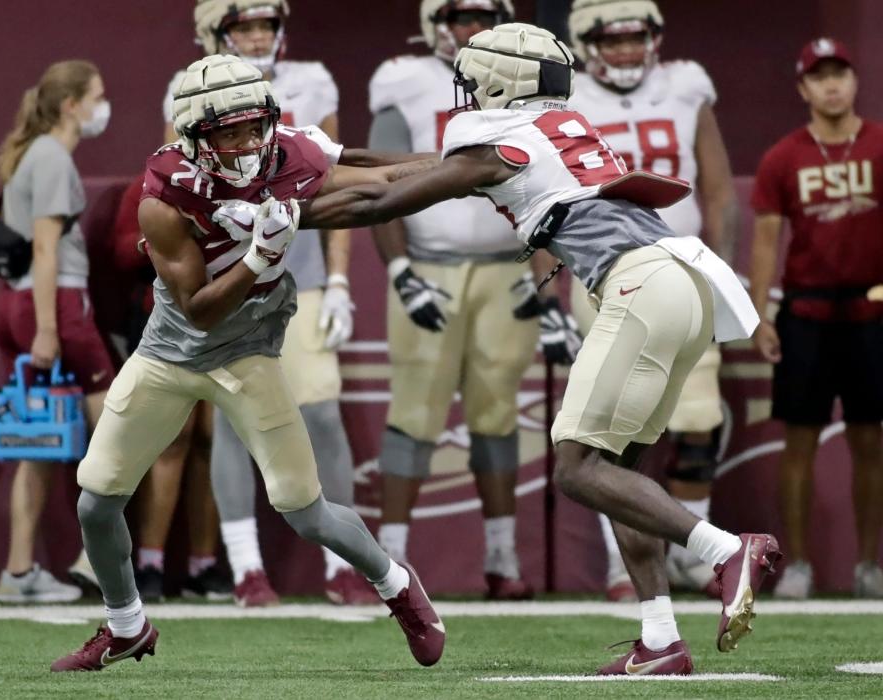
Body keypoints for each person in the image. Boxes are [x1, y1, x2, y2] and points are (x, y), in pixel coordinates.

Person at [279, 23, 781, 675]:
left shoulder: (501, 142)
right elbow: (425, 167)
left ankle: (721, 551)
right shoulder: (552, 126)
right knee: (614, 472)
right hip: (684, 277)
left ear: (501, 81)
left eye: (474, 82)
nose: (465, 95)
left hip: (639, 282)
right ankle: (660, 639)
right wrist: (331, 151)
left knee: (576, 469)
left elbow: (382, 198)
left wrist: (273, 211)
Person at [50, 55, 445, 672]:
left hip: (248, 349)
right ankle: (126, 625)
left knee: (304, 509)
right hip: (173, 350)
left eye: (254, 126)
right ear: (194, 137)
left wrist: (468, 166)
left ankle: (399, 587)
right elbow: (200, 309)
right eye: (226, 132)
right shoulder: (164, 193)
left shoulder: (289, 149)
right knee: (95, 501)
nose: (245, 143)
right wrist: (261, 256)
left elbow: (377, 173)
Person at [365, 0, 558, 600]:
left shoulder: (527, 80)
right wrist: (399, 270)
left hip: (508, 269)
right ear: (434, 25)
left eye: (482, 19)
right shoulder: (406, 79)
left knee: (497, 416)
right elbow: (379, 183)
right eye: (459, 19)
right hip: (431, 267)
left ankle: (502, 559)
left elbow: (555, 185)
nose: (471, 31)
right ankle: (390, 563)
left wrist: (546, 281)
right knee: (414, 415)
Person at [188, 0, 374, 606]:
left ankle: (342, 566)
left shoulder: (311, 82)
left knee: (321, 414)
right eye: (244, 25)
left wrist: (341, 279)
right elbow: (177, 192)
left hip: (302, 274)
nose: (258, 35)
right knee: (233, 426)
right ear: (217, 32)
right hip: (230, 279)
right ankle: (245, 569)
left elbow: (335, 184)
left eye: (266, 24)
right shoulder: (190, 91)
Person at [566, 0, 739, 601]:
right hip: (603, 273)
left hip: (683, 266)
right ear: (586, 44)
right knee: (605, 429)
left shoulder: (686, 85)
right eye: (612, 41)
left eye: (635, 39)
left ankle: (697, 558)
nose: (625, 52)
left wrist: (724, 268)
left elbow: (718, 192)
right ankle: (625, 563)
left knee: (697, 421)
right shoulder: (566, 99)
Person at [749, 38, 883, 600]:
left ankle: (869, 567)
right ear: (802, 88)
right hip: (804, 311)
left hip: (872, 311)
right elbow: (764, 241)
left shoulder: (880, 145)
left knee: (870, 440)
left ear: (854, 82)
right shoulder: (783, 156)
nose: (831, 85)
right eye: (818, 76)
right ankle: (797, 564)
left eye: (840, 74)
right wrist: (759, 315)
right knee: (798, 441)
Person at [0, 60, 114, 604]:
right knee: (120, 428)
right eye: (96, 96)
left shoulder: (34, 156)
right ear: (71, 104)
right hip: (54, 304)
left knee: (38, 444)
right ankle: (99, 555)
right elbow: (44, 248)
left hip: (24, 302)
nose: (101, 107)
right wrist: (47, 327)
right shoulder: (52, 159)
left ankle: (18, 574)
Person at [112, 177, 231, 602]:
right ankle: (150, 561)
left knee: (211, 440)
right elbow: (121, 251)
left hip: (222, 320)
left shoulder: (234, 184)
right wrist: (164, 238)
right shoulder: (148, 187)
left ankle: (204, 563)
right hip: (165, 321)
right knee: (171, 440)